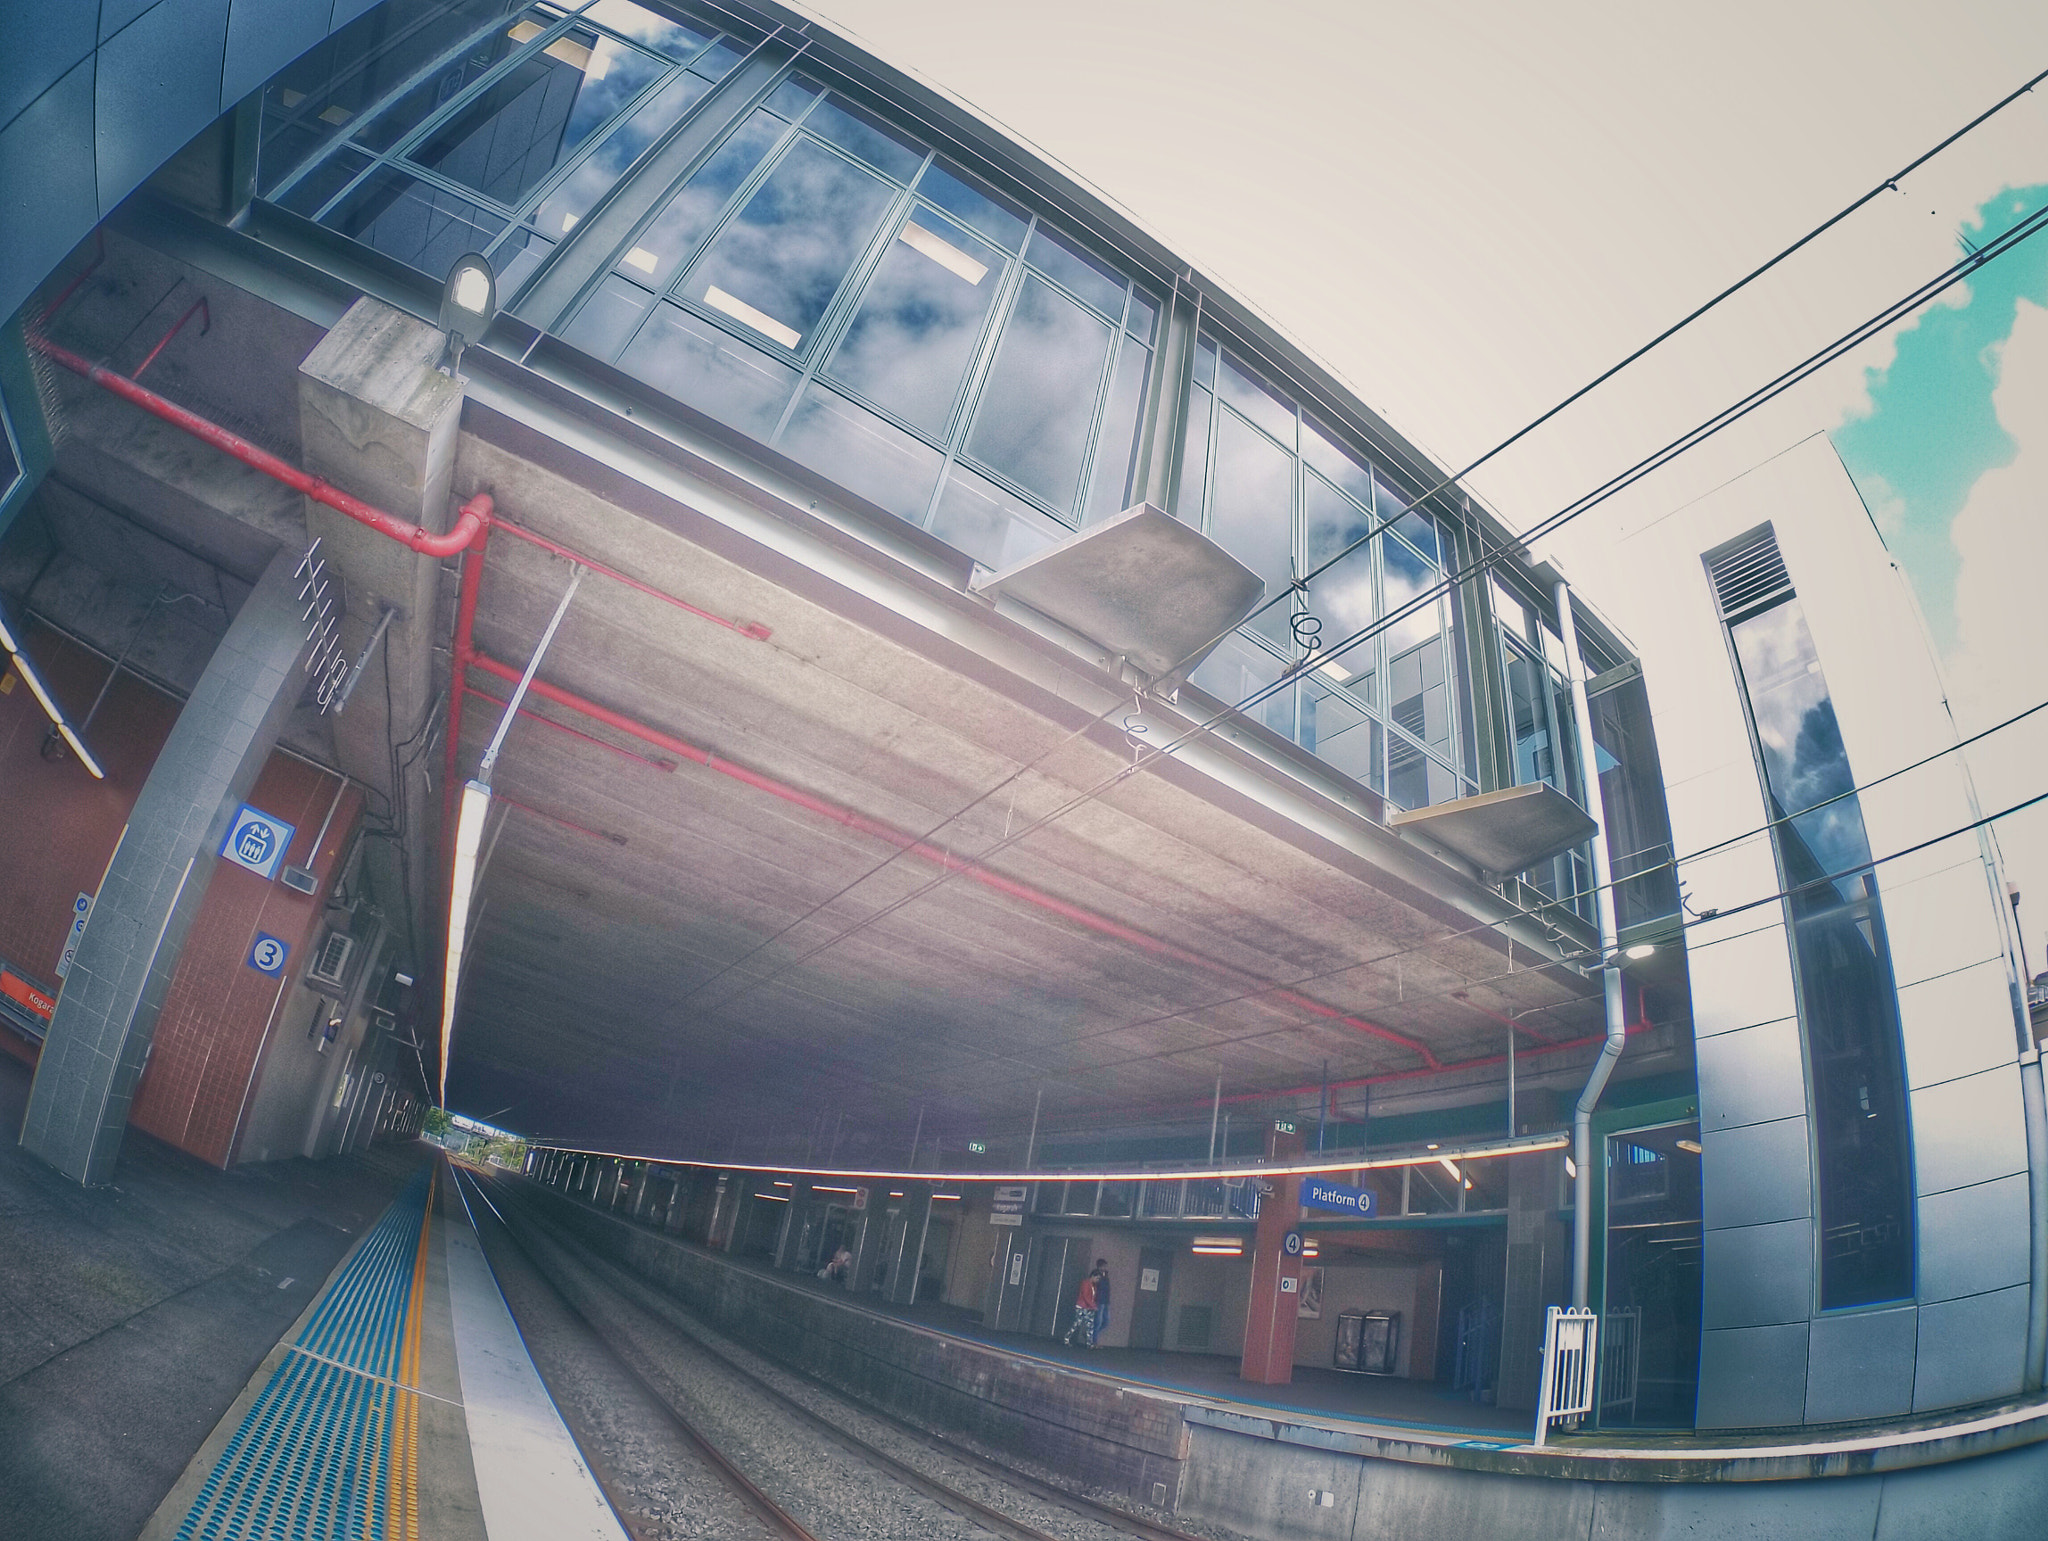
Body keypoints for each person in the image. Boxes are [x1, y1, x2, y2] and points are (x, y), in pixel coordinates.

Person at [1061, 1265, 1099, 1347]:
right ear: (1093, 1276)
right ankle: (1067, 1338)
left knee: (1090, 1326)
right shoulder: (1085, 1283)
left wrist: (1092, 1305)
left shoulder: (1094, 1286)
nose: (1097, 1280)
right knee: (1077, 1324)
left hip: (1089, 1308)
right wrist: (1093, 1305)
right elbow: (1085, 1296)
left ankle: (1089, 1343)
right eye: (1097, 1278)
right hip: (1082, 1307)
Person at [1089, 1259, 1112, 1347]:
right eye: (1104, 1266)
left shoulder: (1105, 1274)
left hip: (1106, 1300)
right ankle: (1093, 1341)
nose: (1105, 1267)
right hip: (1099, 1300)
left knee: (1106, 1321)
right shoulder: (1096, 1273)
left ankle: (1091, 1335)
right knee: (1098, 1321)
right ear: (1100, 1266)